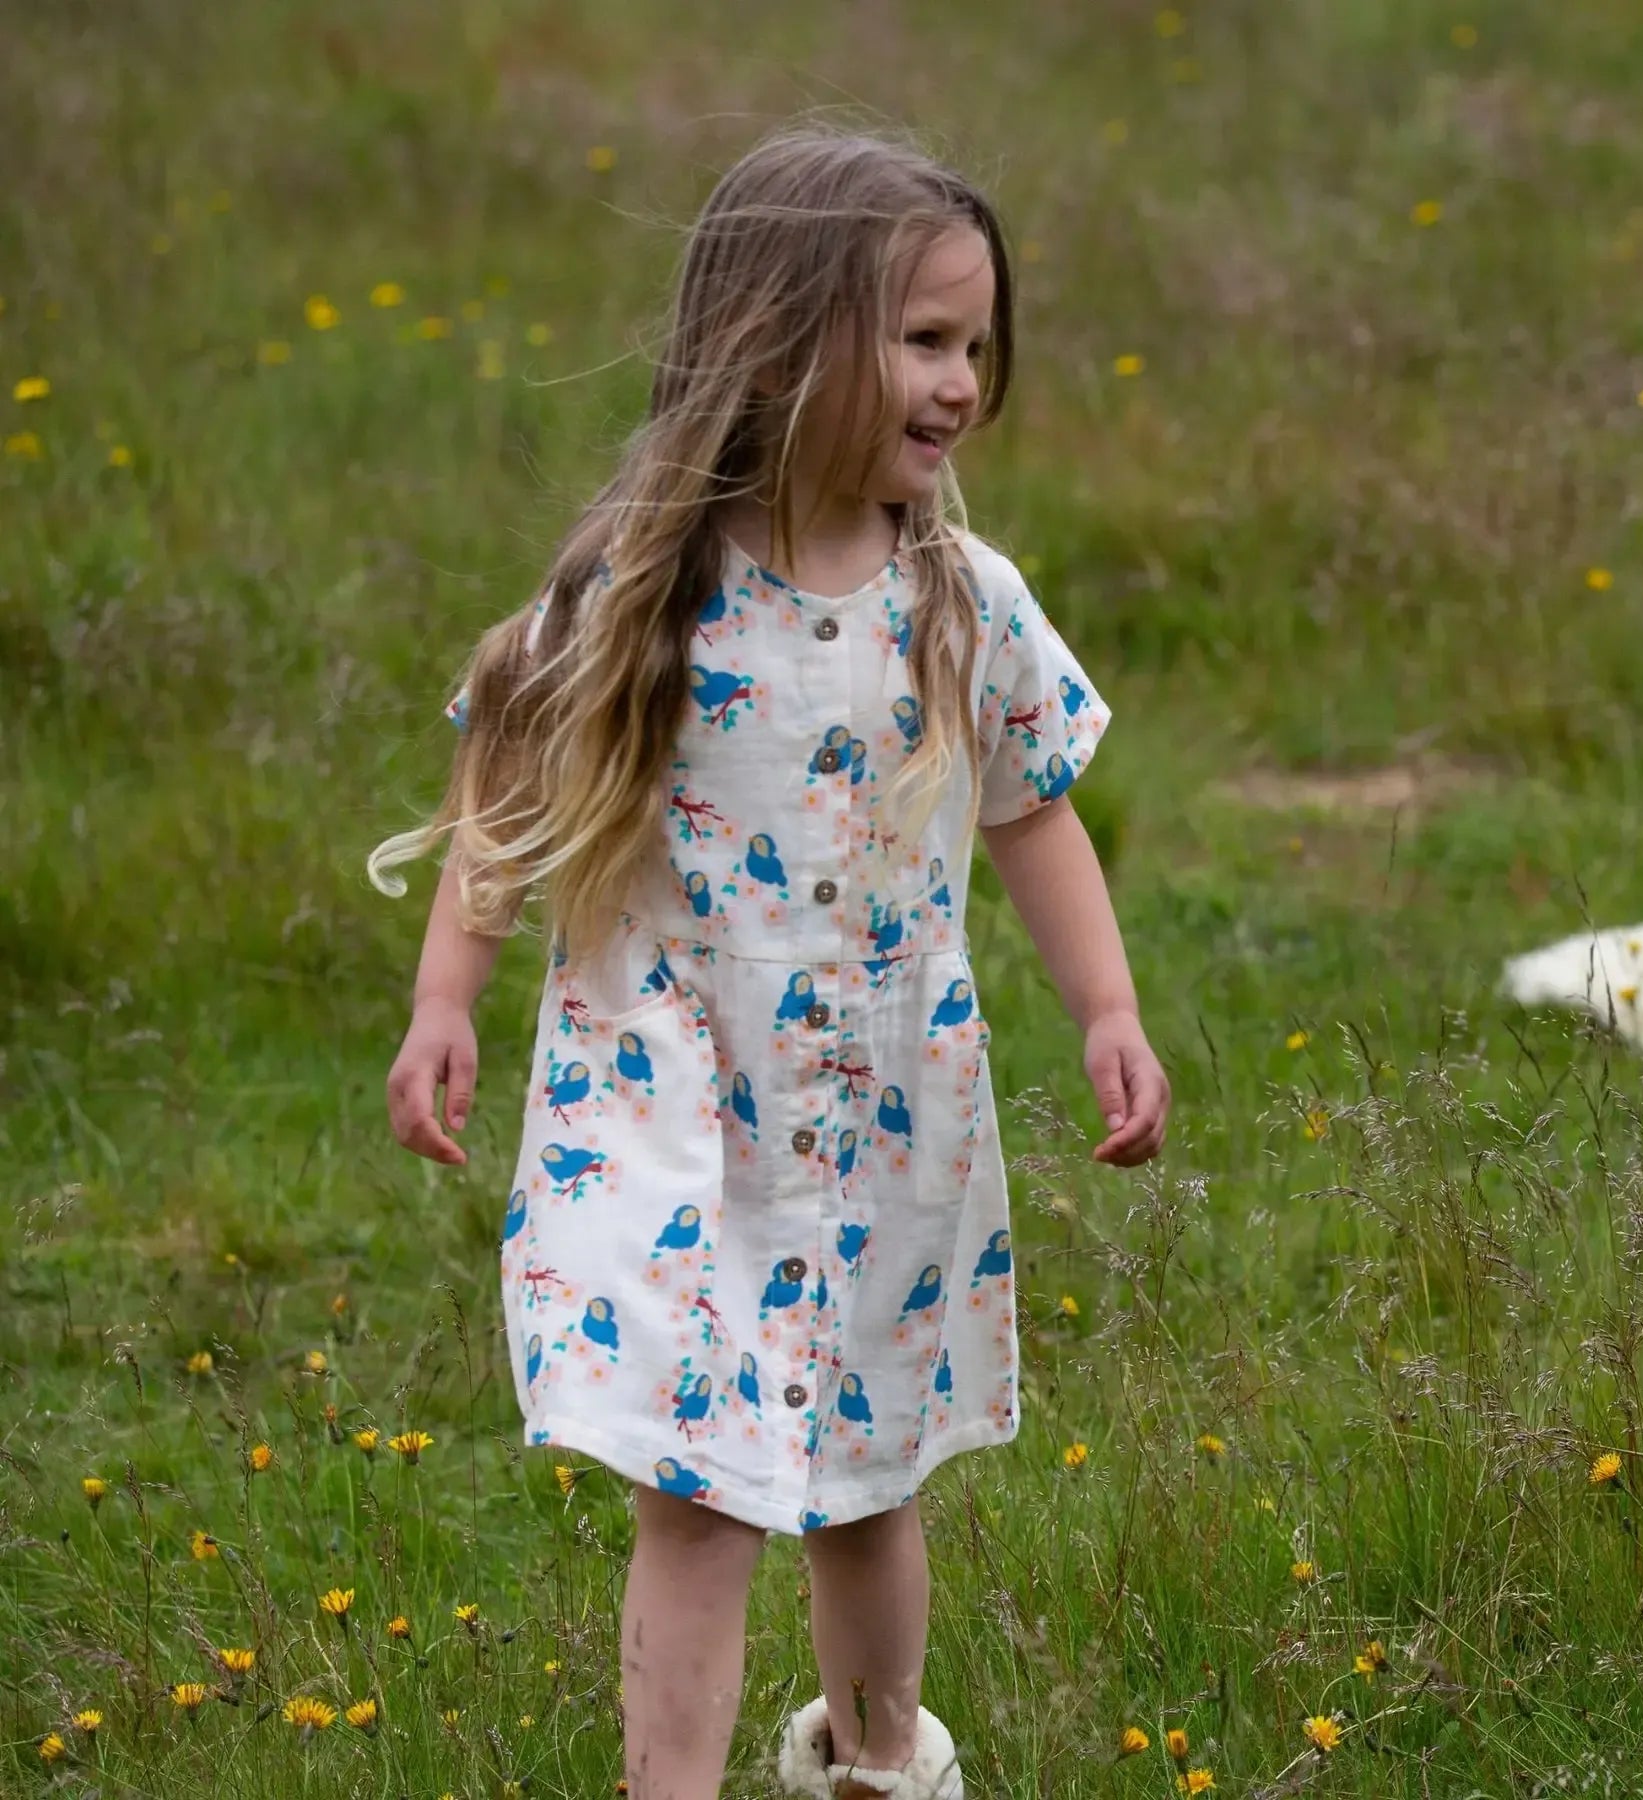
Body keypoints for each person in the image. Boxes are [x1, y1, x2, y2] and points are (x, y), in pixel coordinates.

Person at [369, 123, 1170, 1800]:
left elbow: (1034, 811)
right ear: (782, 343)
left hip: (883, 1111)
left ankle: (878, 1766)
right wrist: (447, 995)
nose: (962, 385)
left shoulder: (963, 602)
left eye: (976, 345)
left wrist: (1107, 1008)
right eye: (925, 339)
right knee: (697, 1491)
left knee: (868, 1484)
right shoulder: (640, 592)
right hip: (673, 1105)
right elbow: (505, 794)